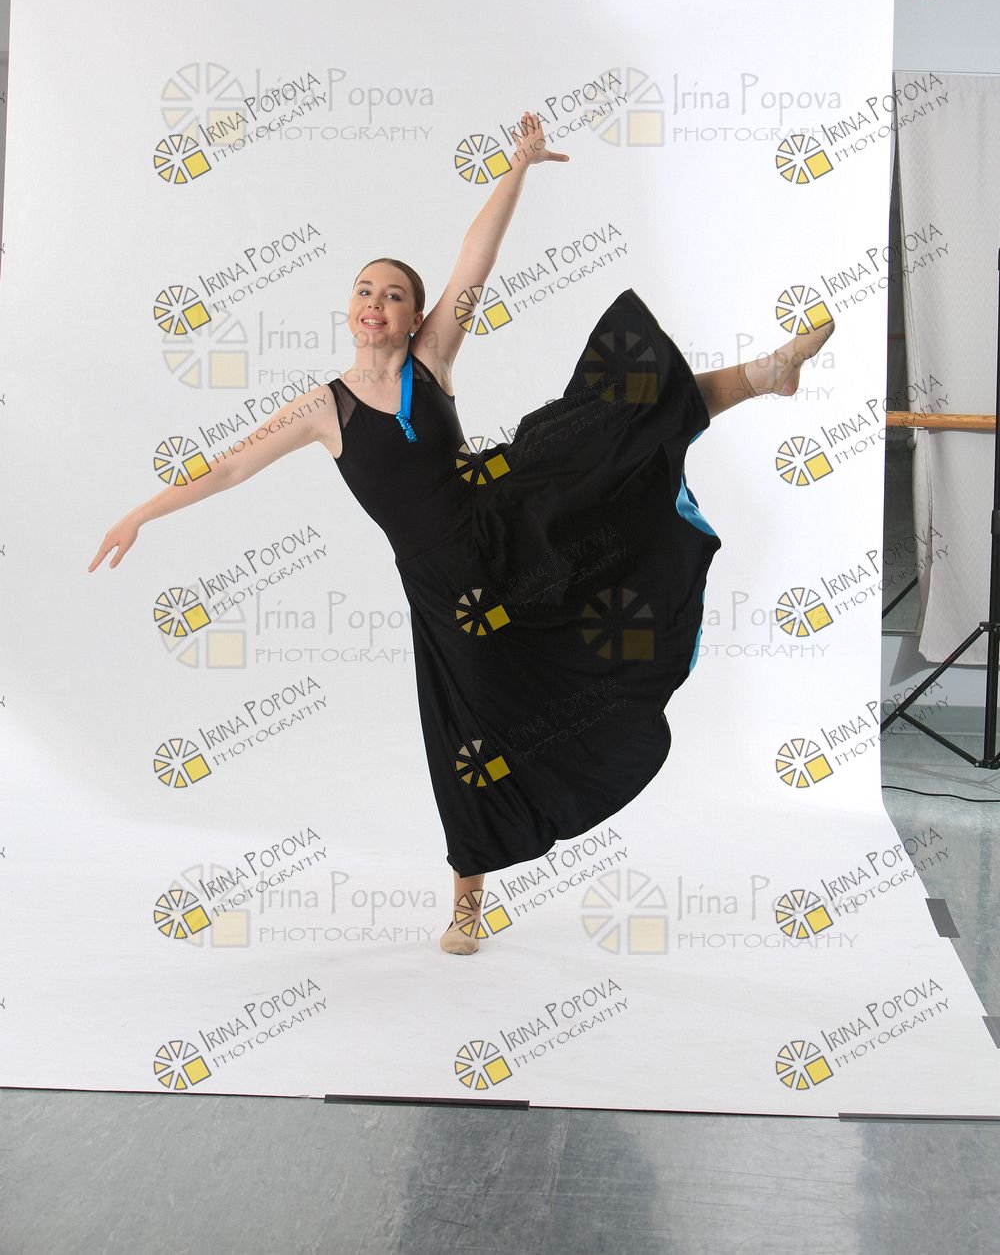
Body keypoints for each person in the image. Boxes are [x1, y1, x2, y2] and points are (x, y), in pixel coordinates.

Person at [90, 111, 834, 956]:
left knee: (604, 428)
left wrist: (517, 167)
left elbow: (475, 258)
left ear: (416, 317)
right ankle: (468, 904)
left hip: (509, 517)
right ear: (349, 310)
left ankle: (765, 373)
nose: (377, 303)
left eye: (393, 294)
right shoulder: (321, 409)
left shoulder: (432, 360)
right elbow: (227, 469)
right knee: (468, 737)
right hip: (451, 592)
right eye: (365, 291)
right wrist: (141, 512)